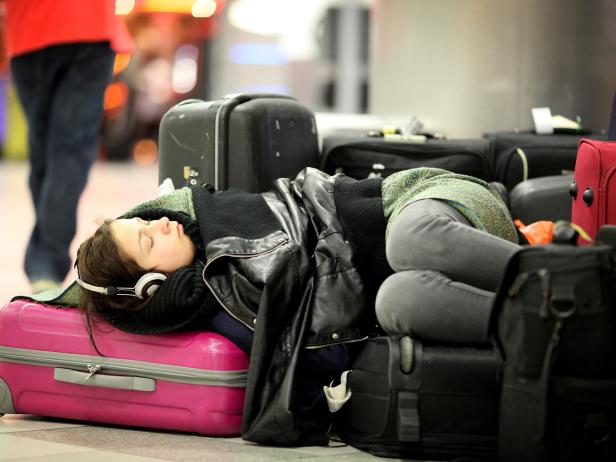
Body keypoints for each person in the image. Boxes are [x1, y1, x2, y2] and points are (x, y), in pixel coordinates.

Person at [73, 167, 519, 445]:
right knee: (397, 301)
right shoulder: (221, 303)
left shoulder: (205, 214)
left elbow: (73, 283)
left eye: (145, 224)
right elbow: (320, 353)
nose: (162, 223)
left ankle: (568, 272)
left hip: (421, 203)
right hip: (424, 280)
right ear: (152, 286)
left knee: (407, 242)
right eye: (148, 240)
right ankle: (558, 313)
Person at [1, 0, 133, 293]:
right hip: (87, 26)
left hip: (31, 30)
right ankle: (46, 260)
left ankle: (46, 261)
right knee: (64, 151)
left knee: (47, 152)